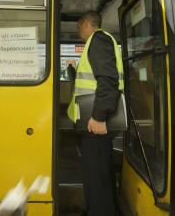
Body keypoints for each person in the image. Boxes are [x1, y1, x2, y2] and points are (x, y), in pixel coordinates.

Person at [67, 11, 124, 216]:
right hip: (94, 121)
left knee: (96, 177)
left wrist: (99, 116)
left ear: (84, 24)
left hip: (96, 123)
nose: (78, 32)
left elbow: (108, 80)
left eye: (78, 27)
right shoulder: (99, 42)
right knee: (101, 173)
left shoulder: (98, 40)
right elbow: (92, 81)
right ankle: (102, 209)